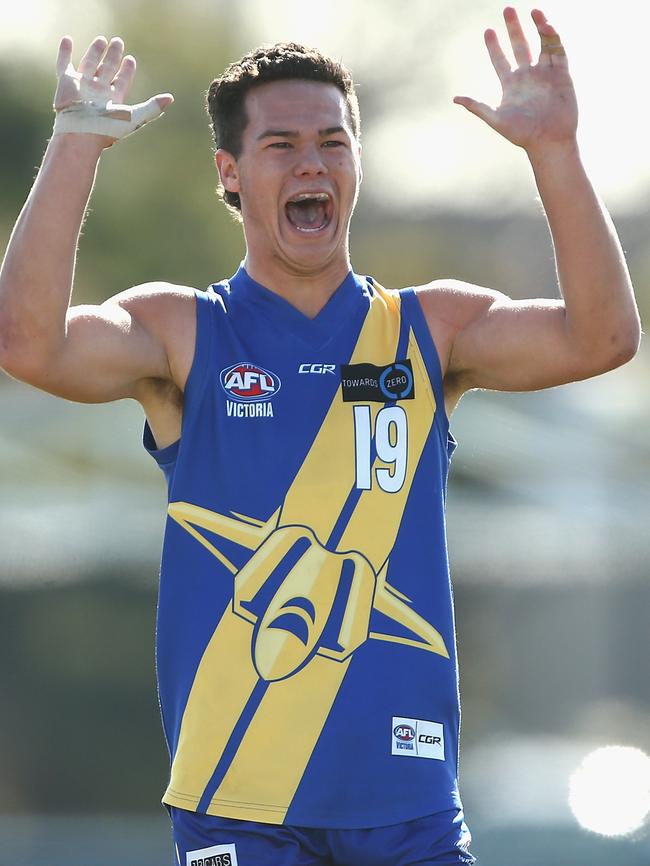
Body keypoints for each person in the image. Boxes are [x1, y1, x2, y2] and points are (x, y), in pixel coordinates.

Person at [0, 7, 640, 865]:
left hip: (410, 806)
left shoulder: (428, 329)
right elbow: (27, 345)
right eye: (282, 146)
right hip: (237, 805)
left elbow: (601, 340)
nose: (313, 162)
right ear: (230, 173)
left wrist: (555, 153)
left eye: (334, 143)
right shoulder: (186, 332)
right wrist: (75, 143)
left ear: (358, 164)